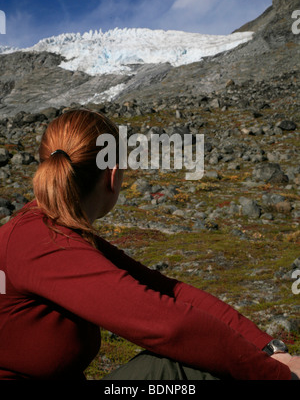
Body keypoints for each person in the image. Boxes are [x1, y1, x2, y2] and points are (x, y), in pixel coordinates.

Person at [0, 108, 299, 381]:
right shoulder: (45, 242)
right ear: (113, 175)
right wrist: (279, 376)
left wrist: (271, 350)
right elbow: (172, 327)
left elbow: (168, 291)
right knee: (181, 370)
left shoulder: (47, 231)